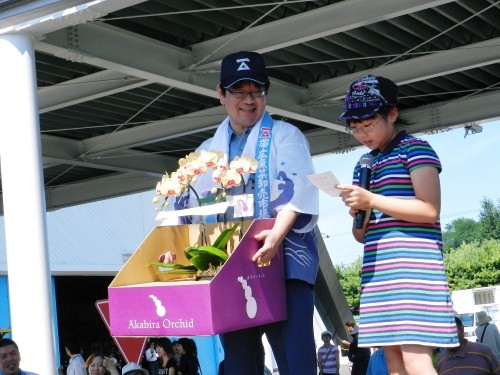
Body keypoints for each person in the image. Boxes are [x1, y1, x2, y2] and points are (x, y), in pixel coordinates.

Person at [165, 51, 319, 374]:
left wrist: (277, 234)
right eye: (239, 91)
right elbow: (187, 208)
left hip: (284, 262)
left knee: (297, 363)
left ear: (267, 91)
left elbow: (299, 189)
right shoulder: (206, 152)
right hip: (229, 271)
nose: (249, 100)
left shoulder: (285, 135)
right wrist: (175, 250)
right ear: (221, 94)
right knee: (239, 366)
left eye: (256, 91)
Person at [336, 75, 458, 375]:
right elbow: (361, 236)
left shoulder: (415, 148)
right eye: (354, 128)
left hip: (414, 270)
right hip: (379, 273)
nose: (361, 134)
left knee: (416, 358)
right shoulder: (364, 163)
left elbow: (430, 209)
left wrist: (372, 200)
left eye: (367, 125)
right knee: (393, 363)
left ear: (392, 114)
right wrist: (357, 214)